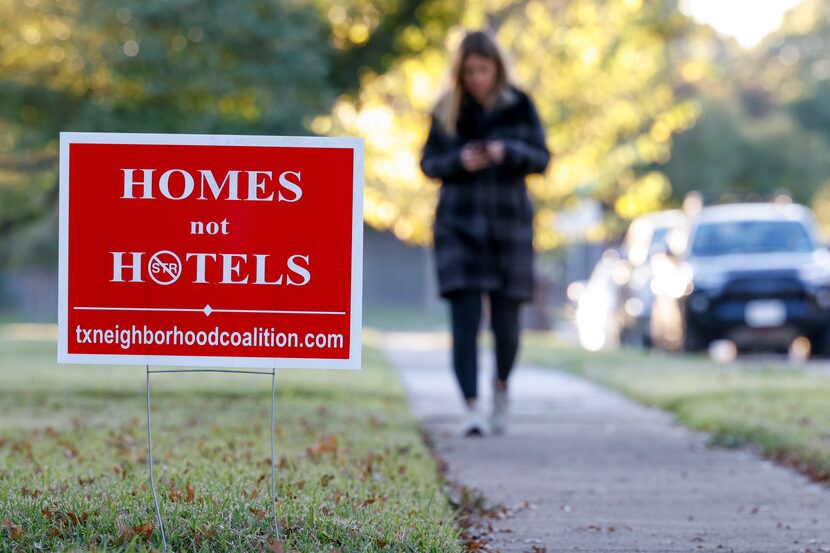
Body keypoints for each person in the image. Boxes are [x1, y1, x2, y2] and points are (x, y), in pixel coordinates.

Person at [420, 30, 551, 436]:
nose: (477, 78)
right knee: (464, 321)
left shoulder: (519, 105)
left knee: (508, 324)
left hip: (508, 227)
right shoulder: (446, 110)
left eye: (484, 69)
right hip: (458, 227)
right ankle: (472, 408)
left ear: (497, 68)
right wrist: (460, 160)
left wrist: (505, 152)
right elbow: (428, 164)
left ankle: (501, 388)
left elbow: (542, 159)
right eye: (470, 70)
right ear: (460, 72)